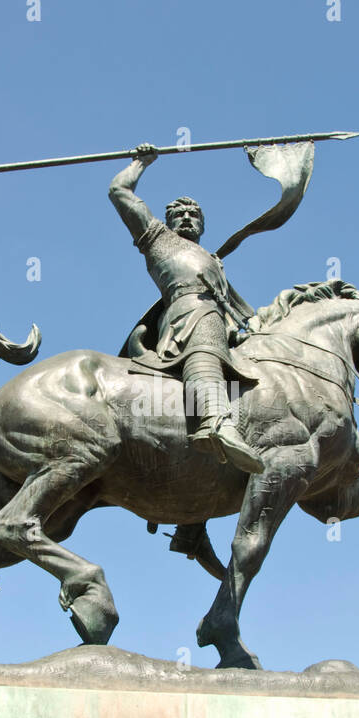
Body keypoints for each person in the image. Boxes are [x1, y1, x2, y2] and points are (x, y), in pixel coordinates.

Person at [108, 142, 264, 475]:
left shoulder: (213, 261)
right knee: (205, 318)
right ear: (167, 221)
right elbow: (118, 191)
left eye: (194, 214)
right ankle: (215, 421)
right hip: (187, 313)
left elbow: (237, 309)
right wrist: (140, 163)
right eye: (179, 214)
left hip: (223, 323)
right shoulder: (158, 239)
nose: (187, 218)